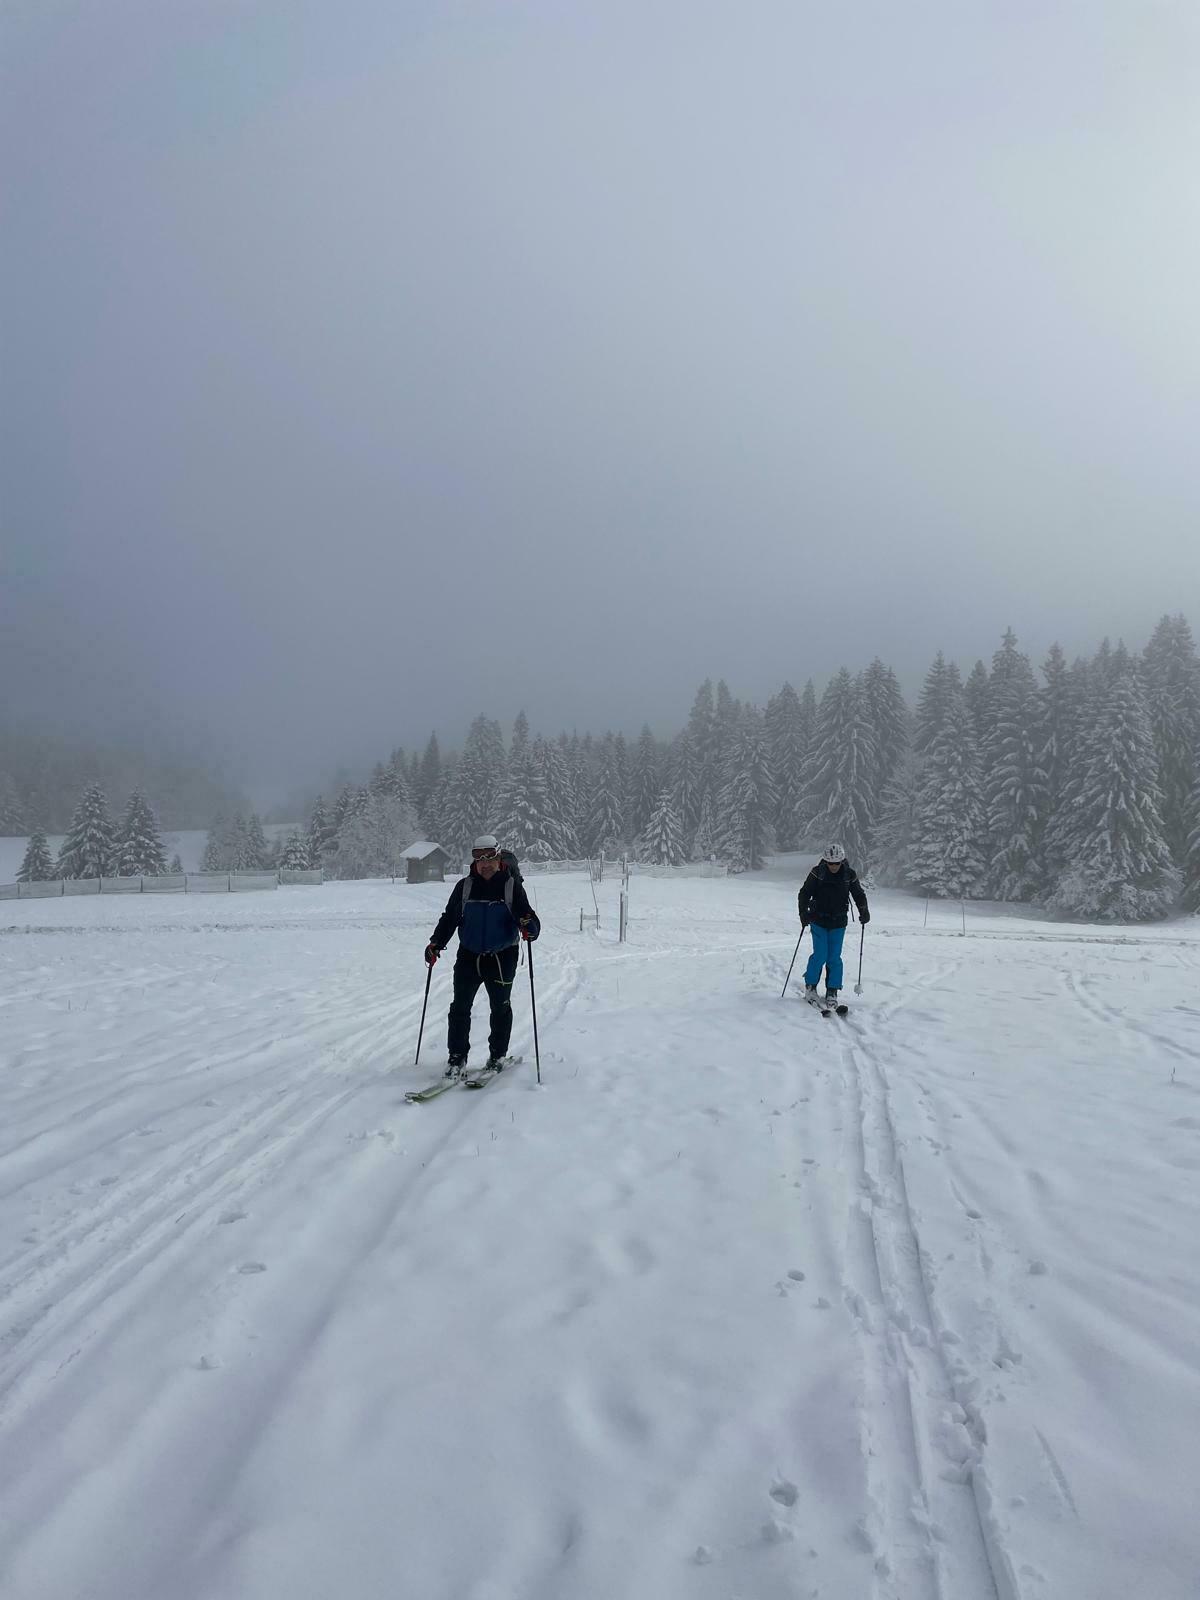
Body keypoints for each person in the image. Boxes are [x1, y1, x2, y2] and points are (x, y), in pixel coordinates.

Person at [425, 835, 541, 1075]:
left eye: (490, 859)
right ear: (475, 862)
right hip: (469, 956)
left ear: (499, 860)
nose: (485, 864)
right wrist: (436, 943)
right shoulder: (465, 886)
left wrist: (530, 927)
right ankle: (457, 1058)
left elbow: (529, 918)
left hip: (502, 957)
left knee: (500, 1008)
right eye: (480, 859)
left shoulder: (510, 886)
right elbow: (450, 918)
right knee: (459, 1008)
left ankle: (497, 1056)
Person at [798, 843, 870, 1004]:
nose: (834, 866)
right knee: (820, 954)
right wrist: (803, 913)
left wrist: (864, 911)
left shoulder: (849, 874)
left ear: (842, 861)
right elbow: (804, 893)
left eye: (837, 863)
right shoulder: (817, 873)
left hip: (839, 922)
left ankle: (832, 990)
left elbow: (858, 894)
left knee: (834, 958)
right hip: (818, 919)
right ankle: (811, 986)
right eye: (830, 863)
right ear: (825, 861)